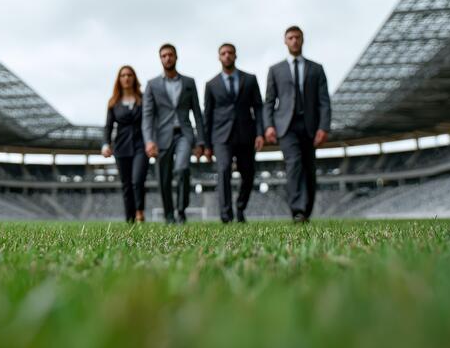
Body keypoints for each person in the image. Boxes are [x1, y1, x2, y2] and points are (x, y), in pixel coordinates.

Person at [263, 26, 332, 223]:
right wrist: (268, 126)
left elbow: (324, 101)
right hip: (286, 126)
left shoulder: (316, 69)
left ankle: (306, 210)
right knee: (294, 164)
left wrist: (323, 127)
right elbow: (269, 101)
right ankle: (297, 210)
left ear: (302, 40)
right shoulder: (275, 70)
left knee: (309, 168)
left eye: (297, 37)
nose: (294, 41)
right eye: (290, 38)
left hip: (310, 125)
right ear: (285, 41)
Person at [142, 44, 206, 224]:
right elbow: (147, 116)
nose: (167, 58)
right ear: (160, 59)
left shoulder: (189, 82)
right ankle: (169, 215)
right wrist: (148, 141)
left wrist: (201, 141)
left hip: (184, 134)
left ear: (176, 57)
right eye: (163, 56)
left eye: (170, 55)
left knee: (182, 168)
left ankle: (181, 210)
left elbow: (198, 114)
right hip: (162, 136)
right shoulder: (152, 85)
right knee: (164, 178)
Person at [203, 43, 264, 223]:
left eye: (230, 53)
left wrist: (260, 133)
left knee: (249, 173)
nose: (227, 56)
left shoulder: (250, 79)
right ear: (219, 57)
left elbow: (258, 108)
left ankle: (240, 206)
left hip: (246, 133)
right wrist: (207, 144)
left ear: (235, 56)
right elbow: (208, 115)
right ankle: (226, 214)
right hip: (221, 136)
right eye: (223, 53)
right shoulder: (211, 84)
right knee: (223, 171)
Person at [103, 65, 149, 223]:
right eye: (123, 75)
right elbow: (108, 126)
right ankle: (129, 219)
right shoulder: (113, 102)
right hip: (121, 147)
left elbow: (150, 120)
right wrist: (105, 144)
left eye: (129, 75)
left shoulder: (143, 99)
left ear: (134, 78)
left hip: (141, 145)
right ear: (119, 79)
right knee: (126, 184)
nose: (126, 78)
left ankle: (139, 211)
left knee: (138, 180)